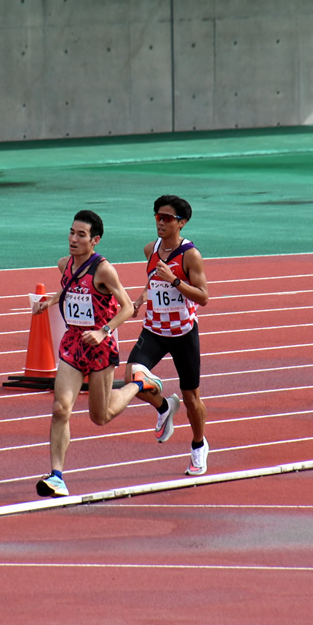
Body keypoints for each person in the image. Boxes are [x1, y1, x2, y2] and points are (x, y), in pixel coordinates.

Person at [34, 210, 163, 497]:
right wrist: (48, 302)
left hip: (100, 347)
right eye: (71, 232)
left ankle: (140, 384)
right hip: (73, 344)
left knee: (100, 416)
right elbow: (69, 289)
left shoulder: (103, 270)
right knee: (60, 408)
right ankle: (57, 476)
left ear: (95, 240)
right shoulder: (65, 264)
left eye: (81, 235)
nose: (73, 239)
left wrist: (104, 331)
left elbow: (127, 307)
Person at [127, 195, 210, 475]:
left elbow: (203, 296)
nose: (160, 222)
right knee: (132, 377)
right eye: (157, 217)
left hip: (183, 332)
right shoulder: (150, 249)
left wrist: (174, 280)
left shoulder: (190, 255)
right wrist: (140, 299)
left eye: (166, 218)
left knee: (191, 398)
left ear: (181, 223)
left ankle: (198, 446)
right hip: (154, 329)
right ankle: (164, 406)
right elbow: (153, 282)